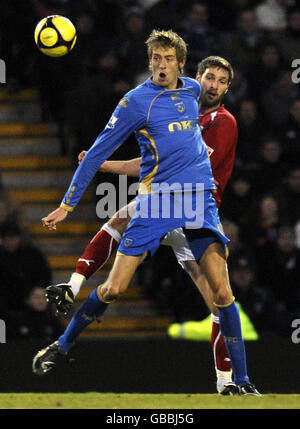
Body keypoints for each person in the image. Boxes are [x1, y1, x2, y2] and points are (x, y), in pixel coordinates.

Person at [32, 30, 259, 396]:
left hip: (198, 203)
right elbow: (111, 155)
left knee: (222, 295)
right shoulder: (137, 103)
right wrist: (68, 203)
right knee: (114, 288)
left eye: (168, 58)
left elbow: (183, 157)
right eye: (156, 58)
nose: (162, 64)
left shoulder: (214, 113)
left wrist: (109, 168)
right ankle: (63, 342)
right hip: (160, 203)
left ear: (181, 64)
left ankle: (239, 383)